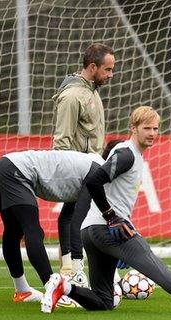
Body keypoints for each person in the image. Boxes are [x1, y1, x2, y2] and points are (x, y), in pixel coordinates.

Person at [41, 106, 171, 315]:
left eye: (156, 129)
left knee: (105, 301)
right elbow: (94, 181)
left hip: (92, 231)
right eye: (146, 128)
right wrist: (111, 217)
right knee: (155, 266)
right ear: (133, 128)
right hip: (106, 228)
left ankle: (64, 286)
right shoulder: (127, 154)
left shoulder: (132, 154)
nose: (152, 133)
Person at [0, 144, 119, 303]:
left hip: (5, 166)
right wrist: (77, 268)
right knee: (33, 231)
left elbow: (66, 219)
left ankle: (22, 291)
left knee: (13, 231)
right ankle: (52, 286)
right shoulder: (96, 172)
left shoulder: (89, 167)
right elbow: (77, 223)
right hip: (17, 171)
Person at [51, 43, 115, 284]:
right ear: (92, 67)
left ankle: (72, 268)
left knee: (75, 215)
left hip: (91, 166)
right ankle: (72, 270)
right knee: (72, 217)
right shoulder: (71, 96)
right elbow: (62, 140)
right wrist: (67, 172)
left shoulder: (91, 91)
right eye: (107, 70)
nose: (110, 75)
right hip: (77, 168)